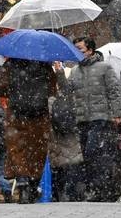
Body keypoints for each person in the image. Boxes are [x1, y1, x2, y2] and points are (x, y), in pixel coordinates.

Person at [66, 37, 121, 201]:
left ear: (90, 50)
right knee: (88, 154)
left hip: (101, 118)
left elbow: (114, 91)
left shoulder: (105, 68)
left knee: (94, 151)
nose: (78, 53)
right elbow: (67, 92)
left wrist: (117, 113)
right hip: (82, 119)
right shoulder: (75, 71)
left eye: (81, 49)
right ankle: (96, 188)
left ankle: (100, 188)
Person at [0, 58, 57, 204]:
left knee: (17, 149)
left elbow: (1, 87)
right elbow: (52, 89)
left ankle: (22, 181)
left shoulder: (10, 64)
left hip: (16, 113)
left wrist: (15, 90)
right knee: (37, 150)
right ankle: (33, 184)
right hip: (39, 115)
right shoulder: (45, 65)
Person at [49, 62, 84, 202]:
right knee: (73, 165)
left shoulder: (50, 99)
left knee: (58, 168)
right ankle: (74, 194)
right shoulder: (71, 98)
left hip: (55, 138)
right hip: (71, 137)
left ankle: (58, 194)